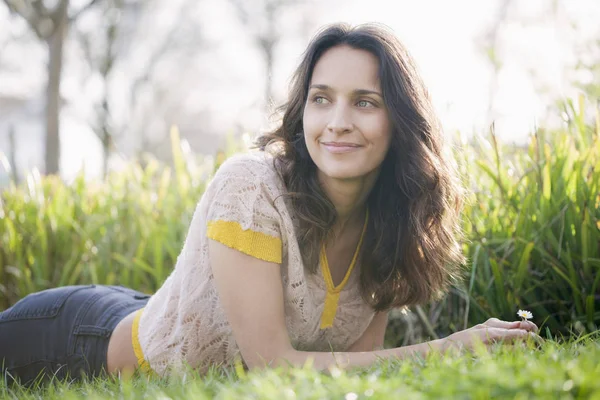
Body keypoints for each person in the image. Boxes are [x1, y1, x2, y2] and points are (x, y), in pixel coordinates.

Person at [0, 23, 538, 385]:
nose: (338, 122)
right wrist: (451, 347)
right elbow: (272, 368)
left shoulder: (390, 220)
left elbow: (355, 366)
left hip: (153, 308)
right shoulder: (252, 187)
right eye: (321, 98)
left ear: (400, 121)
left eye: (365, 103)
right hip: (76, 337)